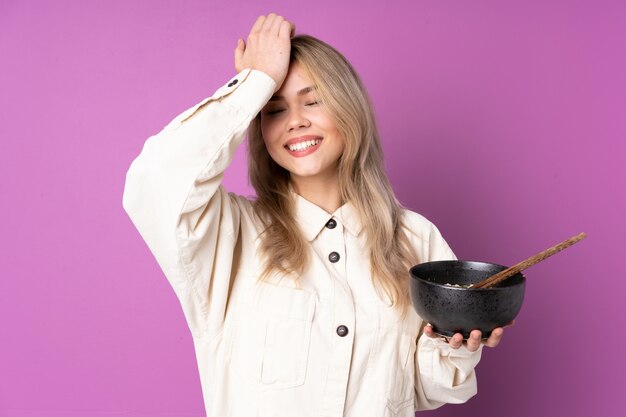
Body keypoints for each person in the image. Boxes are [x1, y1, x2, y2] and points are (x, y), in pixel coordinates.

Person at [123, 13, 506, 417]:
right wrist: (255, 81)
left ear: (348, 108)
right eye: (274, 109)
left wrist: (453, 343)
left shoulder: (416, 238)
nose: (296, 121)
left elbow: (424, 391)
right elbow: (155, 180)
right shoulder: (228, 236)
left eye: (314, 100)